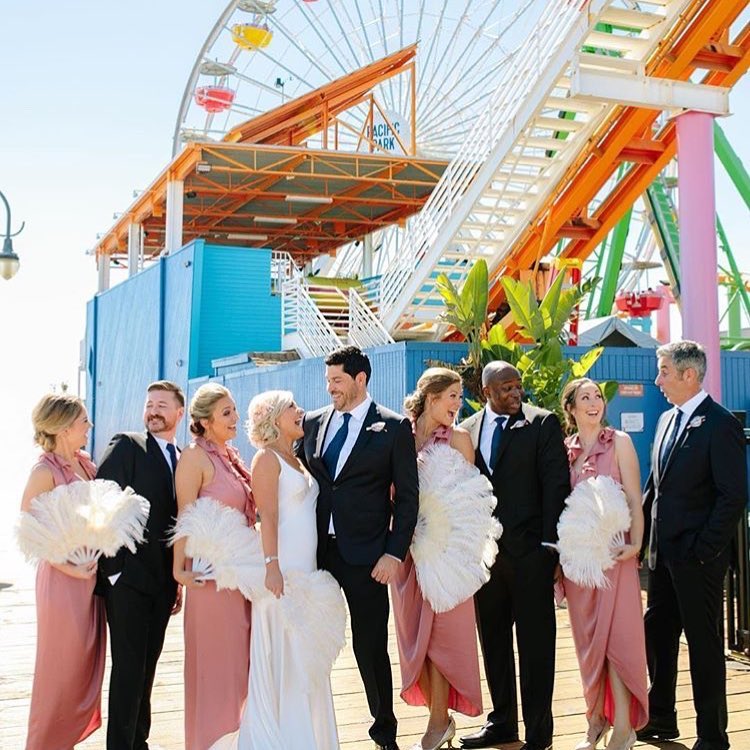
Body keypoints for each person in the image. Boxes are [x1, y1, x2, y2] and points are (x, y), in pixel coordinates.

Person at [298, 345, 420, 750]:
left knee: (370, 646)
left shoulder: (393, 426)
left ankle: (384, 732)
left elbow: (407, 498)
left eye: (337, 380)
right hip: (314, 553)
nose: (329, 387)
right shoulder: (312, 423)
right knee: (305, 640)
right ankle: (303, 727)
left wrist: (393, 552)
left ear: (360, 379)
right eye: (328, 379)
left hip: (368, 557)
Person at [639, 341, 747, 750]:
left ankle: (713, 736)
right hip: (662, 556)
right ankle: (662, 718)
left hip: (697, 558)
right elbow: (656, 488)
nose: (657, 380)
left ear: (689, 374)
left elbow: (732, 495)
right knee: (658, 635)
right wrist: (640, 538)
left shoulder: (720, 424)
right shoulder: (667, 420)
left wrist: (705, 549)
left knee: (703, 646)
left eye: (664, 371)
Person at [459, 361, 570, 750]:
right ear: (486, 391)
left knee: (537, 645)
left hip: (531, 556)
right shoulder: (467, 430)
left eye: (518, 386)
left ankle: (539, 734)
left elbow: (556, 486)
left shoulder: (542, 424)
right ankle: (502, 722)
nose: (515, 393)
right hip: (486, 560)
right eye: (505, 388)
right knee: (493, 642)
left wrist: (549, 549)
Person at [226, 389, 338, 749]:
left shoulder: (299, 460)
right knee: (283, 651)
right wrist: (271, 566)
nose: (300, 411)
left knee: (306, 654)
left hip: (308, 570)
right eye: (292, 406)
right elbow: (268, 518)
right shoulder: (266, 460)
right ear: (274, 418)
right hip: (282, 571)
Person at [392, 368, 483, 750]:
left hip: (446, 557)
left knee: (442, 639)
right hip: (405, 554)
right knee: (416, 637)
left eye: (459, 398)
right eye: (452, 396)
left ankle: (437, 723)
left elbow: (472, 499)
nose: (457, 405)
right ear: (431, 397)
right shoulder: (400, 435)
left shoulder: (460, 439)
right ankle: (439, 719)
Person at [559, 378, 648, 750]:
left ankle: (625, 728)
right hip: (580, 567)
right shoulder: (565, 451)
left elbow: (633, 499)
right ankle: (595, 721)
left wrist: (637, 545)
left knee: (618, 642)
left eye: (597, 396)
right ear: (572, 409)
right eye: (585, 397)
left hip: (615, 560)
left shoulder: (620, 443)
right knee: (589, 646)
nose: (594, 402)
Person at [97, 380, 185, 750]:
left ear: (179, 413)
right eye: (149, 404)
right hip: (128, 582)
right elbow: (100, 503)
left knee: (147, 669)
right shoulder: (127, 445)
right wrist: (115, 570)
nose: (153, 411)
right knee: (129, 670)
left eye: (162, 405)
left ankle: (139, 742)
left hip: (163, 584)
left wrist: (176, 581)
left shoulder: (182, 457)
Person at [173, 383, 255, 750]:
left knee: (240, 664)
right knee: (216, 666)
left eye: (234, 410)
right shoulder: (194, 458)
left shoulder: (231, 455)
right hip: (210, 580)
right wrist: (179, 570)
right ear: (204, 422)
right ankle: (208, 742)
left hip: (241, 576)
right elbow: (184, 516)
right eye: (226, 413)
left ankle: (237, 739)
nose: (235, 418)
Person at [21, 393, 106, 750]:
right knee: (59, 670)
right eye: (84, 421)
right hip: (62, 582)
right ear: (64, 427)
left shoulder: (86, 464)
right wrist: (70, 569)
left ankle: (65, 741)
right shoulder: (44, 472)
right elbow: (29, 531)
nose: (89, 426)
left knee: (84, 667)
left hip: (91, 578)